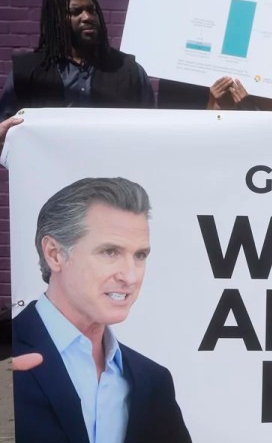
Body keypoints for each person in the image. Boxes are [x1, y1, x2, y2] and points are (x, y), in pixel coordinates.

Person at [12, 177, 191, 443]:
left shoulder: (153, 382)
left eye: (140, 255)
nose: (130, 276)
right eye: (110, 252)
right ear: (54, 254)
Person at [0, 0, 155, 120]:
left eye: (92, 10)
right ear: (57, 19)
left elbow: (150, 127)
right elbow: (5, 127)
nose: (87, 17)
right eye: (76, 12)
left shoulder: (129, 71)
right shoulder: (26, 71)